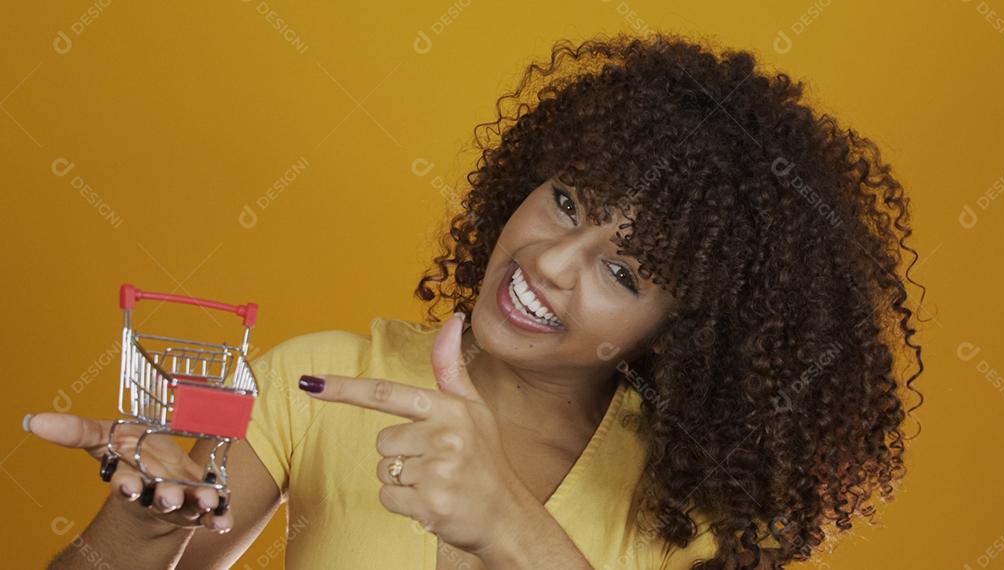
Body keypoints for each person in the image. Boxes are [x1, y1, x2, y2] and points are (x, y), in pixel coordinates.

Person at [25, 32, 926, 569]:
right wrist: (134, 534)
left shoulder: (698, 512)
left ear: (682, 333)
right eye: (569, 200)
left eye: (626, 272)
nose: (553, 259)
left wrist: (510, 526)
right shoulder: (321, 381)